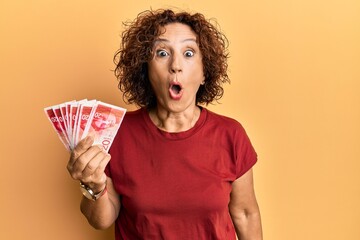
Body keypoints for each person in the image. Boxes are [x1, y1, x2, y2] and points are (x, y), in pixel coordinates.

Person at [67, 9, 263, 240]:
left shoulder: (231, 134)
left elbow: (246, 214)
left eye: (189, 53)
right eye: (162, 53)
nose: (175, 65)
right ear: (146, 71)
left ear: (204, 73)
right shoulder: (117, 132)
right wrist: (93, 186)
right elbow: (101, 220)